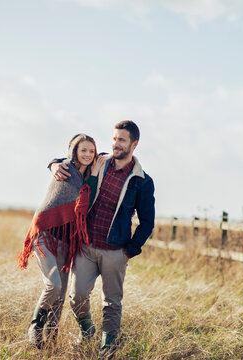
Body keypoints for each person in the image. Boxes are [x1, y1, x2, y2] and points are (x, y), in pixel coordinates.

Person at [50, 120, 155, 359]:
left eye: (122, 140)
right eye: (114, 138)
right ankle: (87, 330)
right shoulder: (99, 162)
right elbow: (73, 159)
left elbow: (147, 222)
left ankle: (107, 350)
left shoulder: (142, 181)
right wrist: (54, 164)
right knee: (77, 297)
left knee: (112, 303)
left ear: (134, 144)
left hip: (115, 251)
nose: (115, 144)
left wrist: (129, 250)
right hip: (86, 246)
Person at [17, 134, 104, 349]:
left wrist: (93, 172)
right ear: (74, 151)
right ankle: (36, 326)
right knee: (53, 284)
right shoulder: (66, 169)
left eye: (91, 151)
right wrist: (53, 164)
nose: (87, 154)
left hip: (66, 241)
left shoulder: (88, 177)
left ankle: (50, 340)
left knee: (60, 296)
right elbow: (86, 199)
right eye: (83, 150)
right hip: (44, 234)